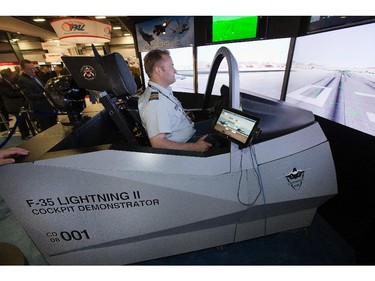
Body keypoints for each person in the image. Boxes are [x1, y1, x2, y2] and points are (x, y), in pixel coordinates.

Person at [138, 49, 212, 152]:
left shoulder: (162, 90)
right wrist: (195, 147)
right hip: (186, 142)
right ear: (158, 70)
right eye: (171, 66)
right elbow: (158, 143)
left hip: (190, 129)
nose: (175, 70)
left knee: (218, 124)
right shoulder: (155, 103)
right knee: (223, 139)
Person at [18, 59, 57, 132]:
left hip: (48, 106)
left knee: (54, 127)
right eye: (30, 69)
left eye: (33, 68)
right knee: (47, 130)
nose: (33, 71)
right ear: (23, 69)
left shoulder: (35, 76)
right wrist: (45, 94)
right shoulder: (23, 80)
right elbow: (29, 95)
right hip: (40, 108)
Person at [0, 69, 32, 139]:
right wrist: (21, 93)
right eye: (11, 75)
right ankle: (25, 135)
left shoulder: (12, 82)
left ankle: (30, 132)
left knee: (25, 119)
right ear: (7, 76)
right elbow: (10, 94)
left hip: (20, 103)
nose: (13, 76)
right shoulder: (2, 84)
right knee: (21, 121)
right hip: (13, 106)